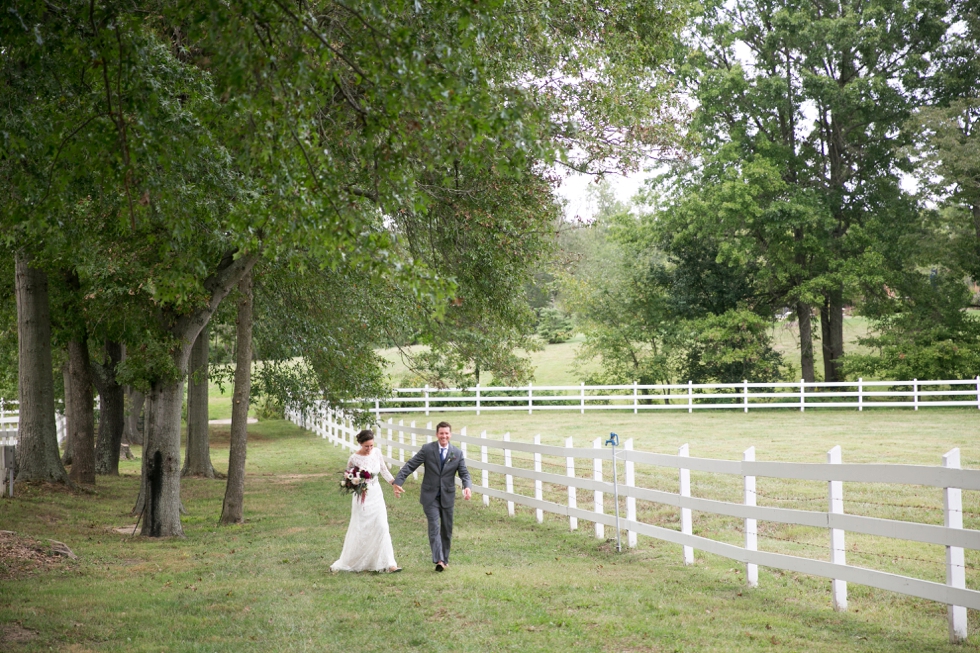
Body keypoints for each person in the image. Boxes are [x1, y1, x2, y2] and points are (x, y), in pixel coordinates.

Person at [393, 421, 471, 572]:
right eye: (441, 433)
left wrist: (467, 487)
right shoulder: (427, 449)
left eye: (446, 433)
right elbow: (411, 465)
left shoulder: (457, 453)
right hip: (430, 496)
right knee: (434, 527)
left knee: (446, 530)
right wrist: (398, 481)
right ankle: (439, 560)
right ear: (437, 434)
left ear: (450, 434)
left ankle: (445, 559)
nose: (444, 436)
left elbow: (464, 473)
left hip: (447, 496)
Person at [330, 429, 401, 573]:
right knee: (361, 527)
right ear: (360, 444)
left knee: (382, 526)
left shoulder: (377, 453)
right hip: (362, 496)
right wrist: (354, 482)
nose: (369, 449)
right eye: (366, 446)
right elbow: (347, 477)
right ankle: (353, 561)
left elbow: (383, 470)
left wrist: (394, 483)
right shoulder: (354, 458)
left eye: (371, 446)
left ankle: (389, 563)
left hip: (376, 494)